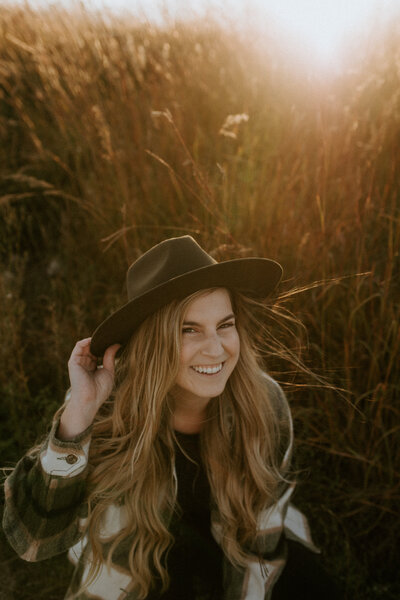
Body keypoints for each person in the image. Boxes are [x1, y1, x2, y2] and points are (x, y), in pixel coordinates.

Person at [3, 235, 339, 600]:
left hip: (236, 551)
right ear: (153, 341)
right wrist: (80, 411)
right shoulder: (102, 412)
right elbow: (34, 539)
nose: (216, 348)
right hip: (136, 565)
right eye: (188, 329)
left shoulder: (264, 404)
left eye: (225, 325)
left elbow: (261, 542)